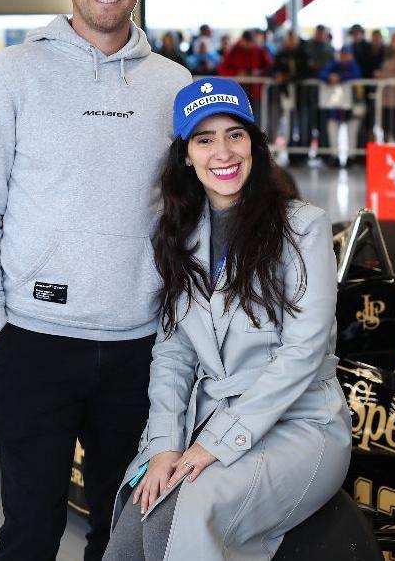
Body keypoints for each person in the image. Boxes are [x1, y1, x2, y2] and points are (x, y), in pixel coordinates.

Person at [0, 0, 192, 561]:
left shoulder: (176, 86)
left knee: (124, 536)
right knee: (30, 531)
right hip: (31, 343)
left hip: (139, 347)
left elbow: (191, 216)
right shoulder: (14, 74)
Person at [103, 78, 349, 561]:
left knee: (188, 510)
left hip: (301, 425)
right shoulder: (179, 235)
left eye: (235, 134)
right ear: (186, 156)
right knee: (137, 516)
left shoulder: (303, 226)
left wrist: (216, 444)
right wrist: (164, 446)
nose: (223, 152)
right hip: (210, 417)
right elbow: (172, 354)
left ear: (254, 144)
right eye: (205, 138)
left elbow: (302, 352)